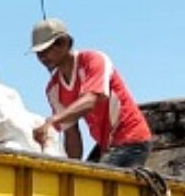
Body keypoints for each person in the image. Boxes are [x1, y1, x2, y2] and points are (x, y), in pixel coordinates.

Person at [29, 18, 152, 168]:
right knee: (82, 179)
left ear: (64, 43)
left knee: (98, 182)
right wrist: (71, 168)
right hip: (106, 144)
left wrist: (54, 120)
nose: (42, 57)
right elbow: (71, 133)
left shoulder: (94, 60)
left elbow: (91, 99)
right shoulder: (53, 89)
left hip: (132, 139)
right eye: (38, 53)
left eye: (46, 50)